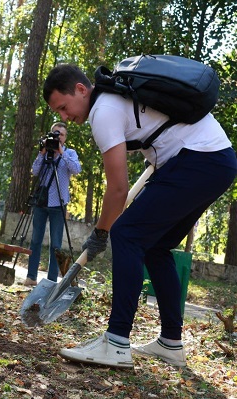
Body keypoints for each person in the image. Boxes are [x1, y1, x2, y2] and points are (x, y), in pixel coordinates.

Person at [42, 63, 237, 368]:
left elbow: (118, 189)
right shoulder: (115, 98)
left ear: (81, 89)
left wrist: (101, 233)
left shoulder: (103, 111)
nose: (65, 118)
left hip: (199, 160)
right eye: (60, 113)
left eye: (64, 107)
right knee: (155, 246)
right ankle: (171, 343)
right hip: (217, 160)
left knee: (126, 234)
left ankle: (116, 342)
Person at [24, 122, 81, 286]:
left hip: (59, 204)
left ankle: (50, 281)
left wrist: (61, 152)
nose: (57, 137)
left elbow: (76, 169)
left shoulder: (70, 153)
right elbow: (35, 171)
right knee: (35, 240)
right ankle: (31, 277)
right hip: (41, 202)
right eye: (55, 134)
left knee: (56, 244)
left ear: (65, 138)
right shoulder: (45, 154)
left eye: (61, 135)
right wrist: (42, 153)